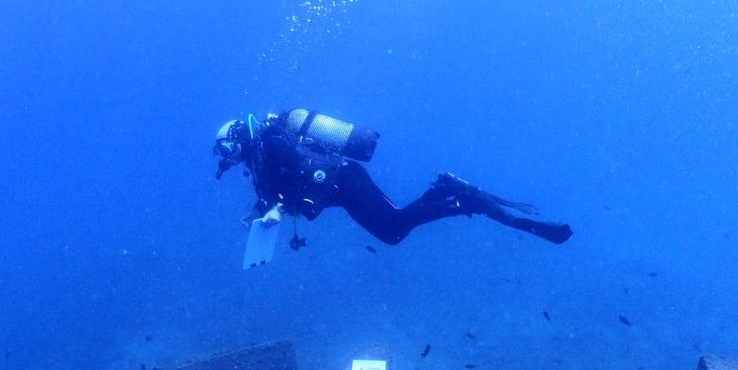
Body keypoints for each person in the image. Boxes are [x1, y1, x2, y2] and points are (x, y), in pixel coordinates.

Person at [214, 110, 572, 247]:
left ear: (238, 137)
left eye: (227, 150)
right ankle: (447, 193)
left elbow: (302, 172)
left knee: (395, 227)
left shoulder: (272, 142)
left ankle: (460, 197)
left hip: (345, 180)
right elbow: (282, 189)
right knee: (392, 232)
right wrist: (260, 211)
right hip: (339, 190)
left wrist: (279, 206)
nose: (228, 159)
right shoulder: (258, 160)